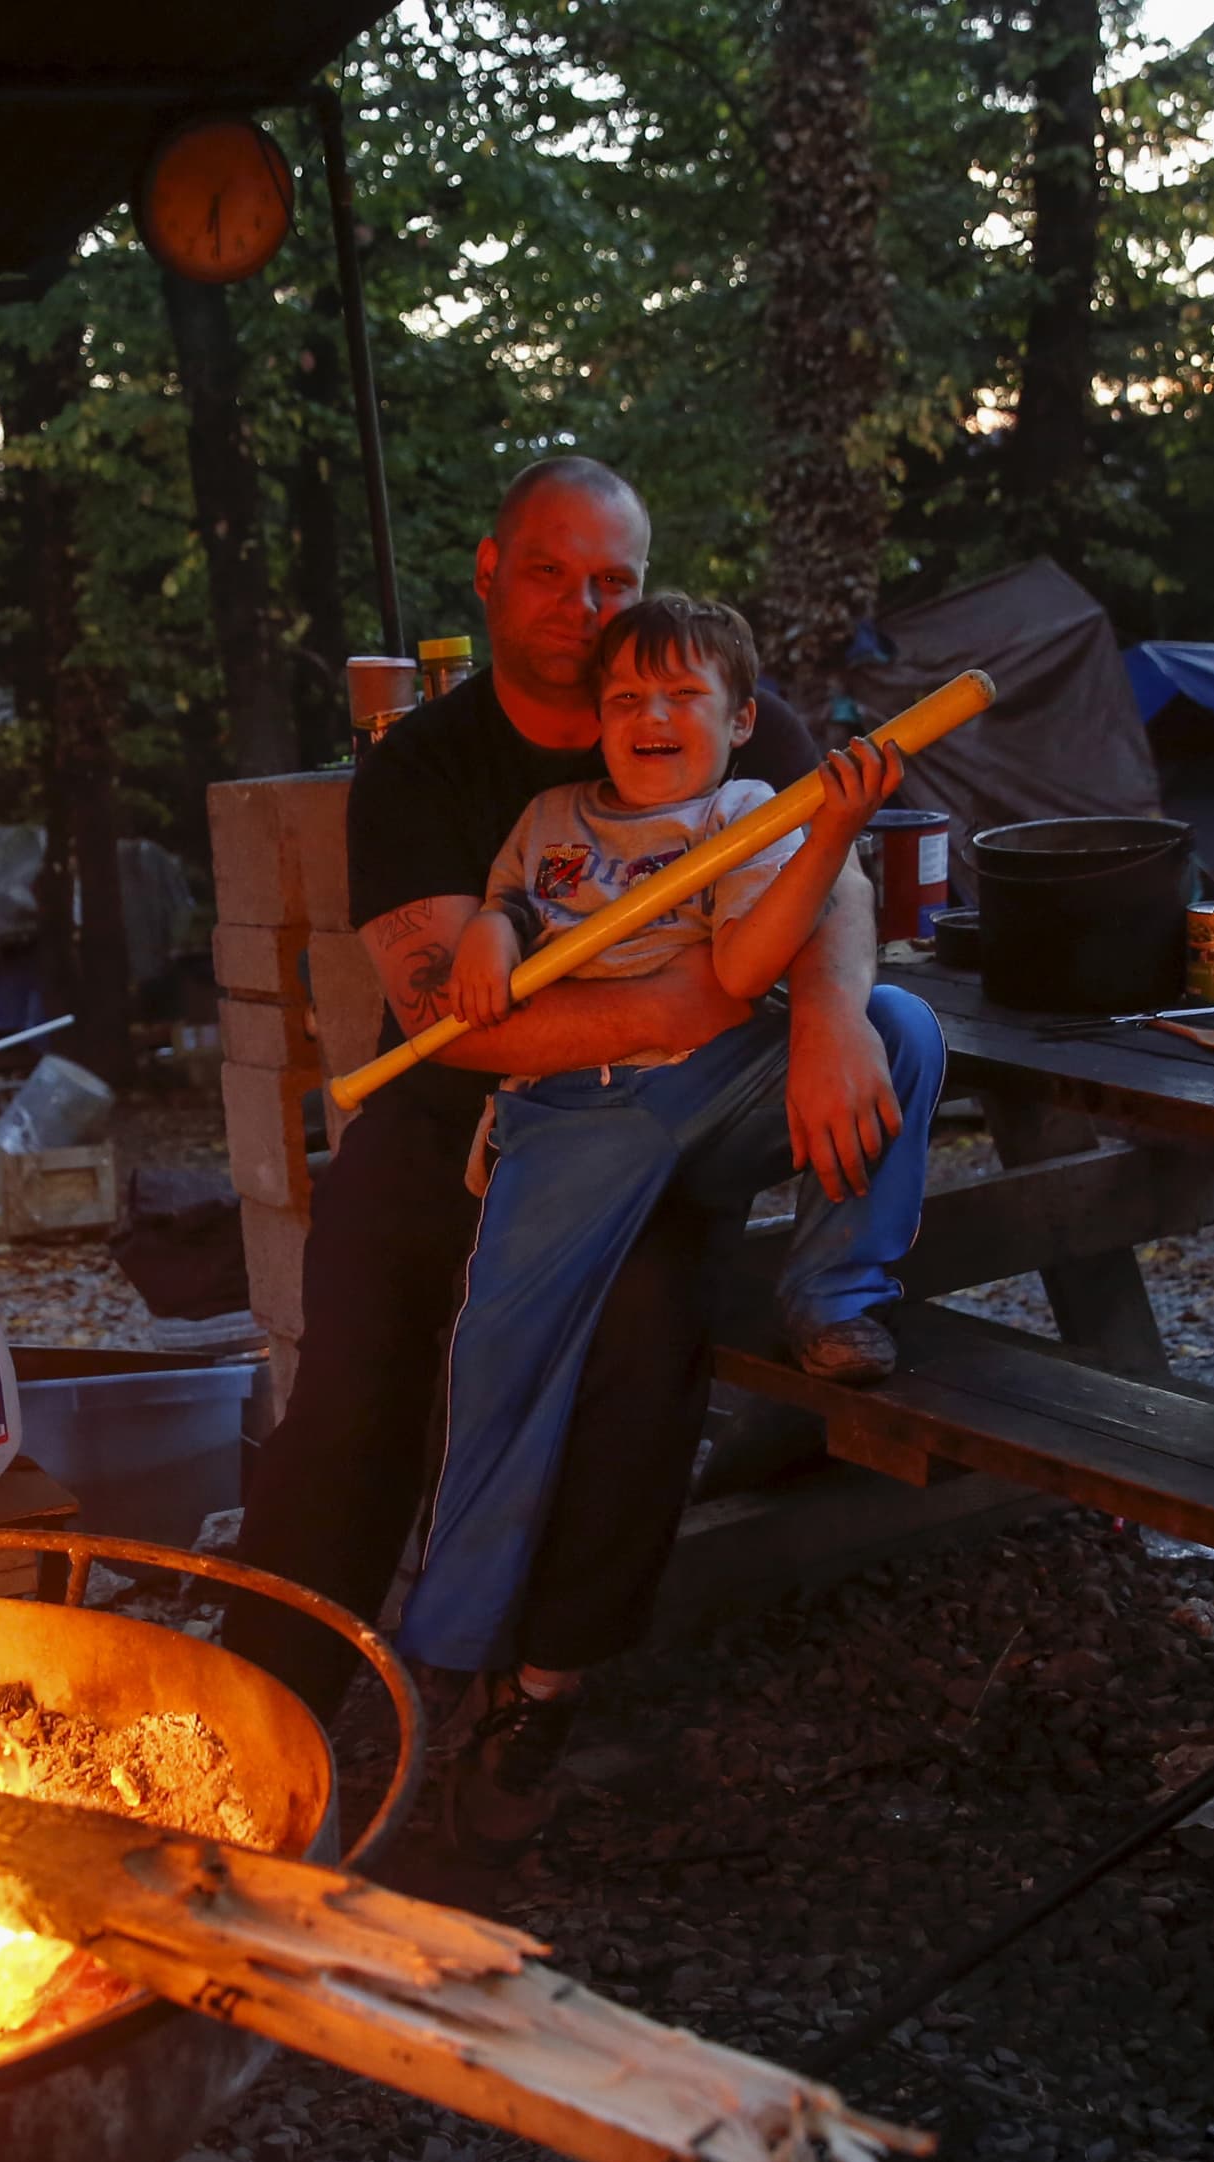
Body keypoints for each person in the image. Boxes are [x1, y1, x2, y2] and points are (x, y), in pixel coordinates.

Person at [229, 455, 918, 1817]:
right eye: (550, 571)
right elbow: (459, 1024)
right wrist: (714, 991)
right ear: (490, 573)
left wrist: (834, 1004)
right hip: (442, 1123)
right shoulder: (433, 764)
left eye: (614, 579)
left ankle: (535, 1693)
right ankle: (260, 1716)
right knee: (357, 1389)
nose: (584, 605)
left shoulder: (716, 713)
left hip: (643, 1123)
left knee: (645, 1335)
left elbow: (824, 873)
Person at [401, 595, 943, 1847]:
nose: (651, 718)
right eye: (627, 699)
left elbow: (750, 968)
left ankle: (838, 1288)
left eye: (682, 697)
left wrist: (832, 831)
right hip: (574, 1117)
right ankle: (465, 1652)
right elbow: (519, 912)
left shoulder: (749, 816)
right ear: (596, 723)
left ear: (740, 721)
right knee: (499, 1365)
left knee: (901, 1031)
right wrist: (490, 929)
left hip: (715, 1087)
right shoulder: (548, 823)